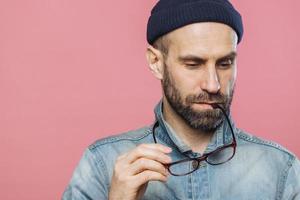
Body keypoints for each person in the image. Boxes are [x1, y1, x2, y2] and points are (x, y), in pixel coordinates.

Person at [62, 0, 300, 199]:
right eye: (193, 64)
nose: (213, 84)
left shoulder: (282, 169)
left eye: (225, 63)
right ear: (156, 63)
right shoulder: (102, 164)